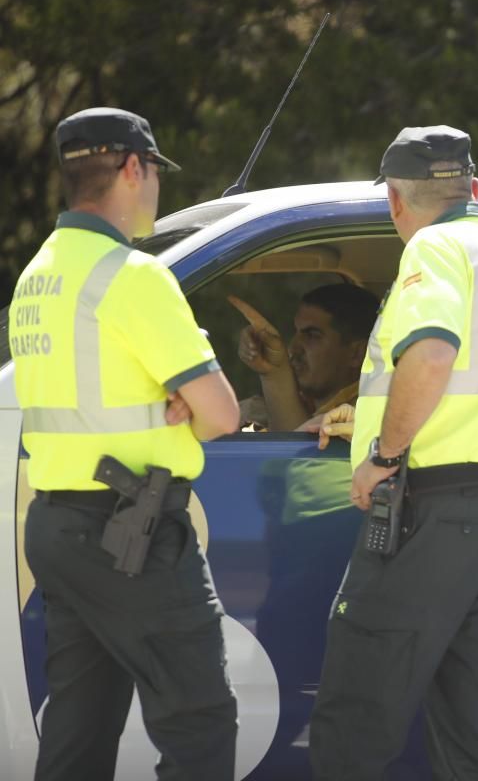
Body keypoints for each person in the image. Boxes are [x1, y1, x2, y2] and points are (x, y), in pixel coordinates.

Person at [308, 125, 478, 781]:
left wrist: (383, 456)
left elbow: (433, 353)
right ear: (472, 188)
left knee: (354, 719)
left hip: (435, 515)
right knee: (467, 727)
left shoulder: (437, 249)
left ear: (396, 199)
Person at [11, 107, 240, 780]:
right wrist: (187, 405)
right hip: (131, 533)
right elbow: (223, 414)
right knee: (199, 721)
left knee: (79, 733)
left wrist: (179, 403)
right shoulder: (133, 278)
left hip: (59, 527)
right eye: (155, 175)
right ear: (134, 169)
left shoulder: (38, 277)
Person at [229, 283, 379, 431]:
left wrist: (275, 373)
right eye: (297, 332)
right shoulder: (302, 402)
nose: (293, 348)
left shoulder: (364, 416)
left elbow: (297, 451)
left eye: (312, 336)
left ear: (357, 353)